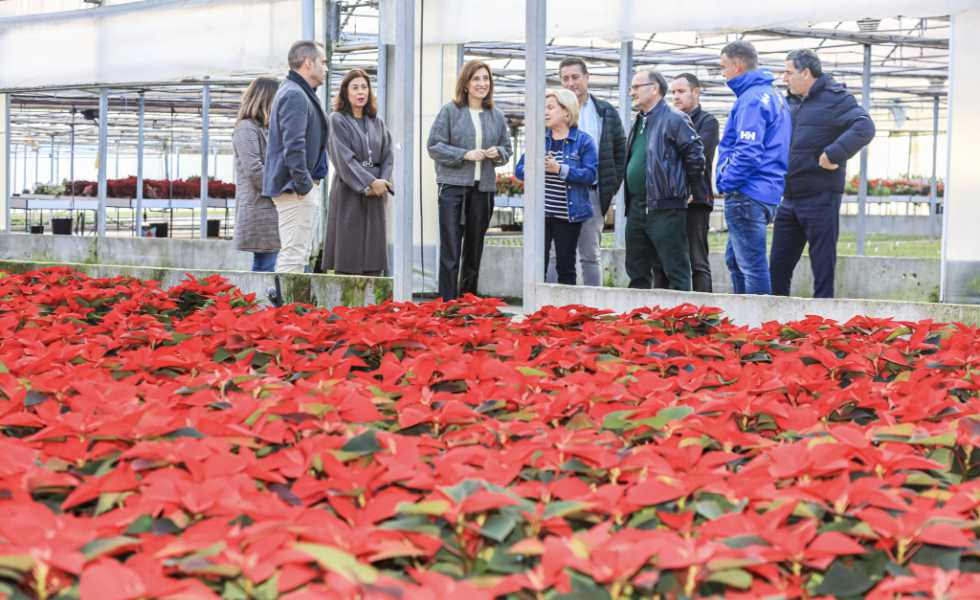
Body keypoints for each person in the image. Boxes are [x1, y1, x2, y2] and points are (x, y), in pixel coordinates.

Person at [771, 49, 875, 298]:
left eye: (788, 72)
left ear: (806, 73)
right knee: (777, 266)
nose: (784, 78)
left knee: (822, 265)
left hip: (820, 197)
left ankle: (823, 325)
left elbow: (865, 126)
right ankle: (774, 322)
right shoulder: (791, 102)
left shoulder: (836, 98)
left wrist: (834, 154)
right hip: (789, 198)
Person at [426, 60, 512, 301]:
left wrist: (498, 153)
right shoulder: (450, 111)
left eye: (486, 79)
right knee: (451, 249)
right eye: (476, 79)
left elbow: (507, 147)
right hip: (453, 188)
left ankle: (468, 302)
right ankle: (447, 303)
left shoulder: (496, 115)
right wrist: (463, 154)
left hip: (483, 189)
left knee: (474, 249)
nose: (482, 84)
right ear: (465, 84)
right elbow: (434, 146)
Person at [716, 40, 791, 295]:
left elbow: (748, 151)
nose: (723, 73)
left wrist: (726, 181)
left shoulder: (752, 99)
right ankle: (743, 320)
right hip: (766, 190)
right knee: (736, 261)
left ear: (737, 66)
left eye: (724, 66)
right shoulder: (774, 96)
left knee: (752, 266)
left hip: (748, 193)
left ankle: (759, 327)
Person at [624, 69, 706, 291]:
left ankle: (682, 320)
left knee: (675, 267)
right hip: (637, 206)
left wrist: (685, 187)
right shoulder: (640, 121)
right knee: (636, 267)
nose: (631, 92)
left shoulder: (674, 119)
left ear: (654, 88)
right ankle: (638, 321)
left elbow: (695, 156)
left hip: (665, 206)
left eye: (636, 87)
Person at [556, 57, 626, 286]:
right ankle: (552, 307)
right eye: (565, 78)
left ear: (586, 78)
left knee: (590, 254)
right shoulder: (552, 110)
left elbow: (620, 151)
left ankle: (591, 307)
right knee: (556, 254)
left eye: (575, 77)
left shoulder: (604, 112)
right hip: (558, 193)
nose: (570, 83)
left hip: (591, 193)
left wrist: (609, 185)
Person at [515, 89, 597, 285]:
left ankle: (565, 312)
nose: (545, 112)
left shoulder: (584, 141)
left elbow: (590, 175)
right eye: (543, 107)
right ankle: (537, 310)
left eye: (550, 107)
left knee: (566, 266)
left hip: (568, 216)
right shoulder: (539, 139)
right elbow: (519, 170)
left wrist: (560, 169)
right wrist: (535, 166)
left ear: (566, 112)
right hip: (540, 215)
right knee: (537, 265)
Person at [262, 40, 329, 274]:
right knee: (293, 255)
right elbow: (294, 146)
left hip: (298, 189)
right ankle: (286, 310)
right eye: (323, 62)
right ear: (308, 64)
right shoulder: (295, 95)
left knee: (297, 253)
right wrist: (304, 186)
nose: (326, 68)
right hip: (295, 190)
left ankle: (289, 308)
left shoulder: (299, 92)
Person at [322, 69, 393, 276]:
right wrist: (368, 183)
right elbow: (343, 159)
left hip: (377, 192)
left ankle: (373, 304)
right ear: (346, 92)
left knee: (374, 250)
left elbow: (388, 155)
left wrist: (383, 182)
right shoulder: (337, 120)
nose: (361, 92)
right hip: (349, 190)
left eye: (364, 87)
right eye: (355, 87)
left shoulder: (377, 121)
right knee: (349, 249)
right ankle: (347, 305)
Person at [670, 73, 720, 292]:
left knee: (697, 259)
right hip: (671, 198)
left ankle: (705, 312)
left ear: (696, 92)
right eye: (673, 92)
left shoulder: (707, 121)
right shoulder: (669, 120)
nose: (676, 97)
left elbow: (699, 155)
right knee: (668, 259)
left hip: (696, 199)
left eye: (681, 91)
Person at [233, 77, 280, 272]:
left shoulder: (267, 129)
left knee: (269, 264)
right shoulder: (246, 128)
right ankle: (259, 303)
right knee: (265, 266)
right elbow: (254, 170)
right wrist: (282, 190)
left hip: (271, 208)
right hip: (259, 207)